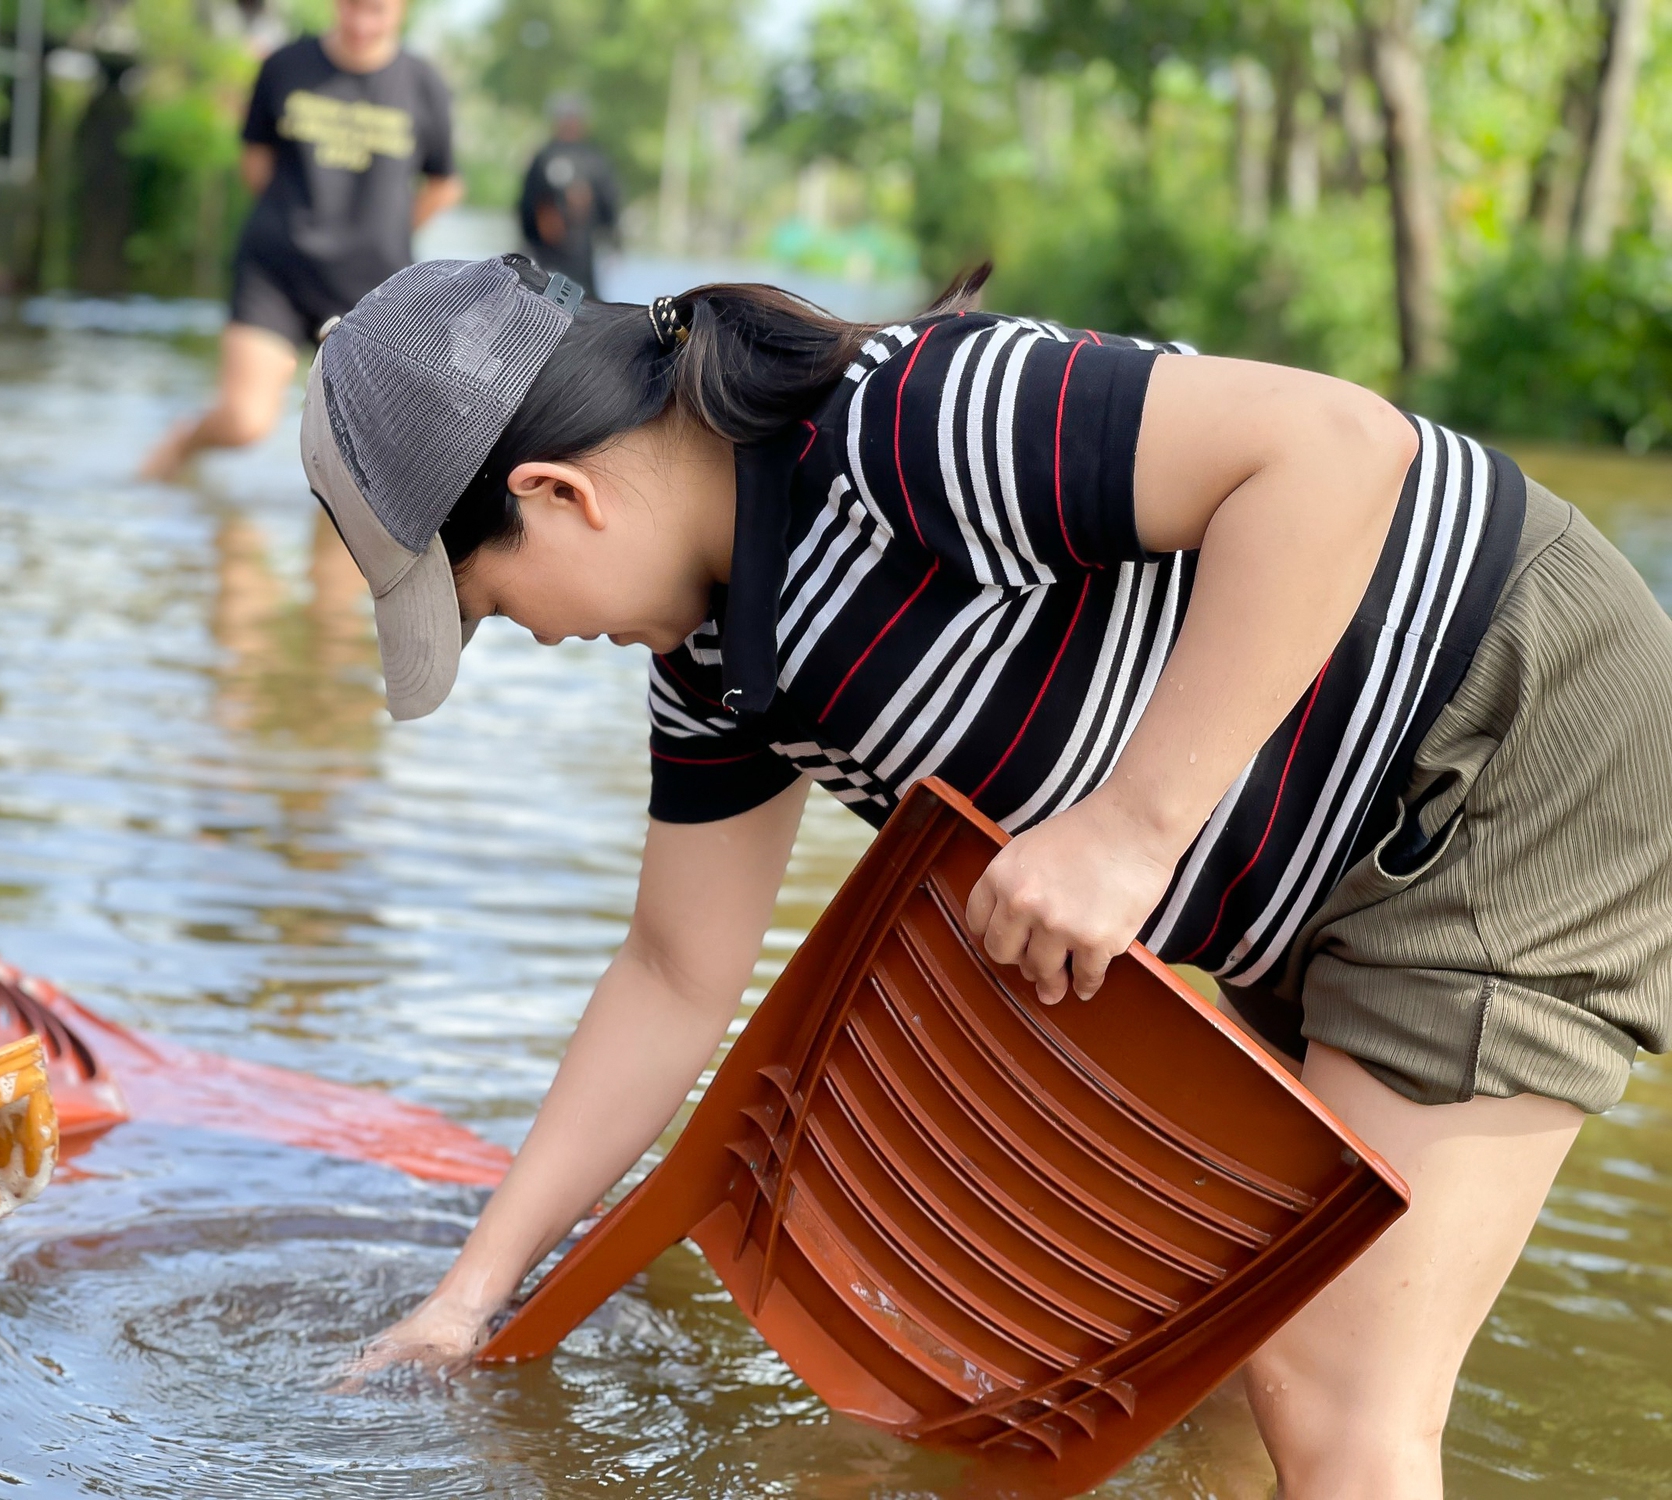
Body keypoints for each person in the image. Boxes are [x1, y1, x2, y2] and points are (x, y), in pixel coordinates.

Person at [300, 255, 1672, 1499]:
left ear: (556, 496)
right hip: (1315, 862)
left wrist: (1134, 828)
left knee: (1337, 1397)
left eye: (486, 605)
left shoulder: (904, 424)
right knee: (1216, 1384)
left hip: (1511, 747)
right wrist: (471, 1296)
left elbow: (1334, 449)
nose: (529, 641)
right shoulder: (715, 665)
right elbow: (672, 974)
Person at [140, 0, 460, 480]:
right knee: (243, 422)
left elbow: (444, 185)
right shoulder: (285, 65)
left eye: (376, 11)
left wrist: (387, 231)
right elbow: (255, 163)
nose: (360, 23)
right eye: (352, 7)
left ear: (401, 9)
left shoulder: (424, 84)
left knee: (356, 464)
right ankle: (179, 450)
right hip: (277, 270)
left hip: (372, 291)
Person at [517, 96, 620, 299]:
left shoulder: (591, 160)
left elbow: (609, 205)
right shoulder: (550, 157)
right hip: (548, 255)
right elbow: (528, 207)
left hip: (578, 254)